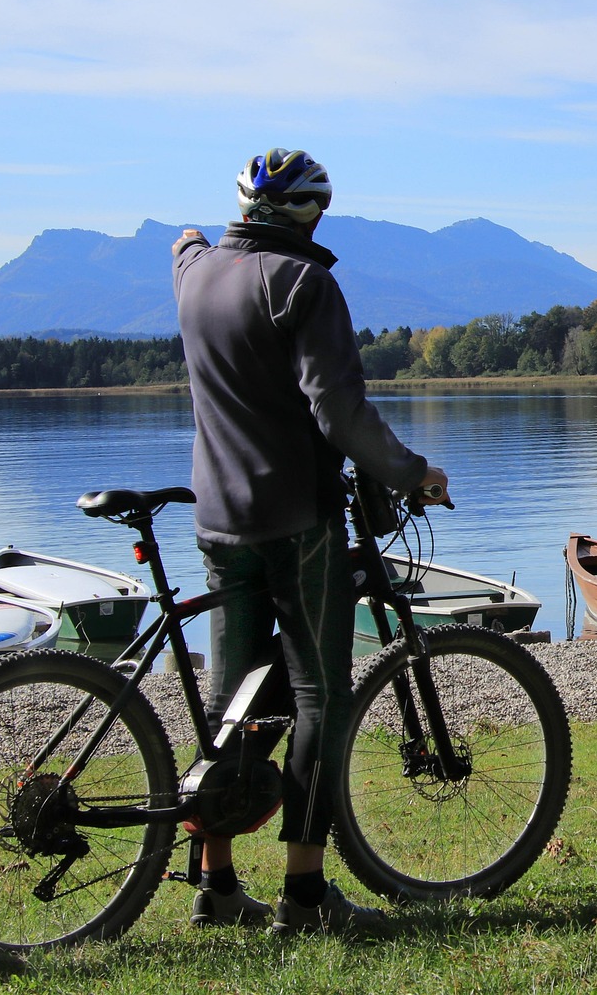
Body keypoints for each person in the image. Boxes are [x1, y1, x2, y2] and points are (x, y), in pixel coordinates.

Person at [172, 148, 450, 935]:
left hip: (217, 521)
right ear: (313, 215)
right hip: (297, 519)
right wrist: (412, 472)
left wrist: (187, 239)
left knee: (232, 701)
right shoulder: (305, 284)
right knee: (319, 700)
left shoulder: (195, 276)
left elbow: (185, 246)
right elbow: (339, 415)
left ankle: (218, 886)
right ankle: (303, 895)